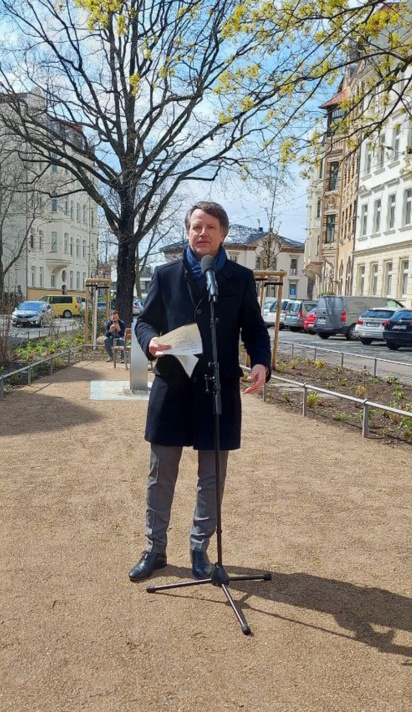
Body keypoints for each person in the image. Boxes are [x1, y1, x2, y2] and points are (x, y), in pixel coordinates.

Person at [128, 201, 271, 582]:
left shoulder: (240, 280)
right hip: (172, 386)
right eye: (195, 226)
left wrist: (261, 362)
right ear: (187, 231)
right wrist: (151, 341)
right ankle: (154, 549)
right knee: (161, 475)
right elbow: (144, 322)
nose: (201, 233)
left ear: (223, 233)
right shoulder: (165, 274)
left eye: (209, 227)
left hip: (217, 390)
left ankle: (199, 550)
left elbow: (255, 330)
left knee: (212, 477)